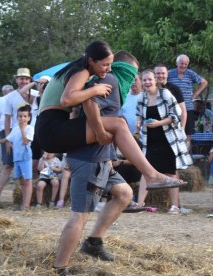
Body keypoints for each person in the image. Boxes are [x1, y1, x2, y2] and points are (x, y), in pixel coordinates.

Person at [36, 41, 185, 189]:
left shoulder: (77, 70)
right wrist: (95, 91)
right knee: (119, 124)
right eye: (105, 64)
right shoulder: (82, 71)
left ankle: (113, 182)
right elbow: (67, 99)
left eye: (111, 64)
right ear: (91, 61)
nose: (109, 69)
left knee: (118, 124)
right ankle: (151, 175)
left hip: (49, 128)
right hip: (52, 128)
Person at [52, 56, 137, 273]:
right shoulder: (108, 80)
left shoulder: (107, 81)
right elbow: (90, 104)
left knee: (124, 193)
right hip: (88, 159)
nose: (133, 79)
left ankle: (93, 243)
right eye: (133, 73)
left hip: (101, 158)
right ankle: (60, 267)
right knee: (80, 214)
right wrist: (100, 133)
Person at [136, 70, 193, 214]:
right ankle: (139, 204)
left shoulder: (165, 94)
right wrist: (138, 123)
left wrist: (159, 123)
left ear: (155, 80)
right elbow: (139, 115)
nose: (147, 82)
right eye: (144, 80)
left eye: (149, 79)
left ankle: (174, 206)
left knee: (170, 172)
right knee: (145, 171)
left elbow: (176, 115)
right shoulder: (141, 98)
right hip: (149, 141)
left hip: (168, 140)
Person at [0, 68, 38, 207]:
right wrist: (8, 139)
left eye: (26, 78)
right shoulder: (10, 97)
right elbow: (7, 118)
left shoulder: (36, 95)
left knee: (30, 165)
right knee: (8, 165)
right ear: (16, 80)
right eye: (20, 78)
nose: (23, 81)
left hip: (31, 133)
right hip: (13, 133)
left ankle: (28, 202)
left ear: (29, 80)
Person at [0, 105, 34, 211]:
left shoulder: (29, 129)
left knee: (27, 181)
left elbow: (25, 141)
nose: (22, 119)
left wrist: (23, 130)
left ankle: (26, 205)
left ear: (28, 118)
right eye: (20, 116)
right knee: (21, 181)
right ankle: (23, 204)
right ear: (17, 117)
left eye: (24, 116)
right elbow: (8, 139)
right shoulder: (15, 129)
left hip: (25, 157)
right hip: (17, 158)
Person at [167, 54, 208, 139]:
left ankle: (186, 152)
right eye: (181, 63)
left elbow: (204, 82)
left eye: (186, 64)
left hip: (187, 108)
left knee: (187, 134)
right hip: (173, 108)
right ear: (176, 63)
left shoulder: (190, 73)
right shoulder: (169, 73)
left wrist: (195, 94)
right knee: (171, 132)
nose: (183, 66)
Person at [154, 64, 187, 129]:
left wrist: (182, 128)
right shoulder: (150, 89)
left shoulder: (175, 89)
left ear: (167, 74)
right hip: (154, 126)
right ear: (154, 75)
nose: (160, 75)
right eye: (158, 73)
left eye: (163, 73)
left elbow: (183, 110)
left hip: (172, 127)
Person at [0, 84, 14, 165]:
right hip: (14, 126)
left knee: (5, 148)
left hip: (4, 127)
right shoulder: (15, 98)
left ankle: (7, 164)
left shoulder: (1, 100)